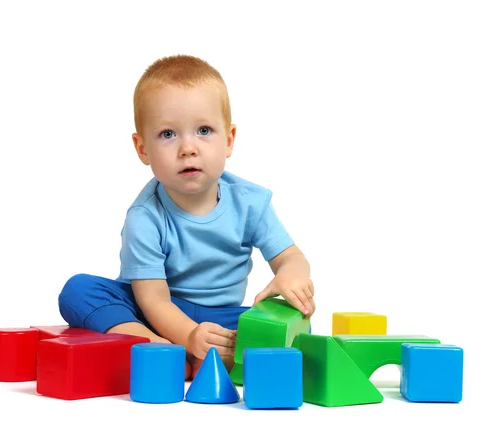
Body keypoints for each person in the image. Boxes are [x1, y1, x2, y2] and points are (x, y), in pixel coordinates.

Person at [58, 54, 315, 378]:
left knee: (290, 318)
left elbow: (291, 257)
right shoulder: (145, 215)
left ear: (229, 140)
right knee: (78, 290)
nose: (187, 148)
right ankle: (154, 346)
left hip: (223, 318)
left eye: (204, 130)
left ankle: (202, 355)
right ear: (142, 149)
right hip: (154, 312)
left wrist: (292, 275)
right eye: (168, 134)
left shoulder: (251, 203)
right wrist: (189, 336)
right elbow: (153, 300)